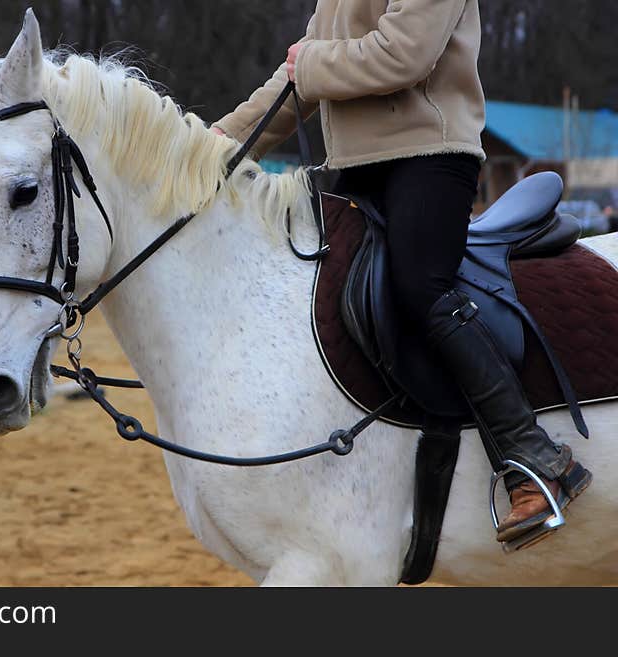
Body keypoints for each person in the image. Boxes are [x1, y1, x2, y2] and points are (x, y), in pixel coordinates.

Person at [212, 0, 591, 545]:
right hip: (353, 167)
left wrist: (311, 64)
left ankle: (536, 458)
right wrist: (210, 149)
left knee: (421, 286)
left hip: (429, 155)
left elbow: (402, 56)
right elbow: (295, 83)